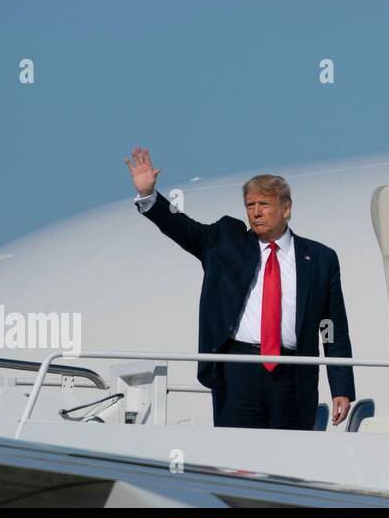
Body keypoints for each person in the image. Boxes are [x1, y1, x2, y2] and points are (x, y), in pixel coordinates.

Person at [125, 146, 355, 429]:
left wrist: (341, 386)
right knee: (237, 461)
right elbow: (183, 228)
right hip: (238, 370)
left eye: (264, 204)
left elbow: (332, 327)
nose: (256, 212)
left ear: (286, 208)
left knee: (289, 461)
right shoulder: (225, 242)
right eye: (250, 205)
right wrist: (149, 196)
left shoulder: (320, 258)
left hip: (295, 375)